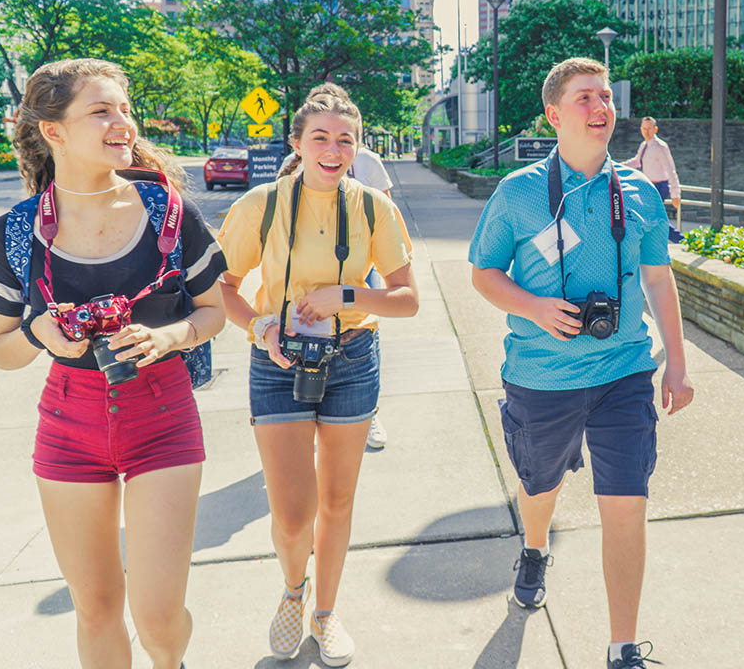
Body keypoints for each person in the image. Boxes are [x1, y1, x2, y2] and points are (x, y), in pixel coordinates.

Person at [0, 58, 227, 669]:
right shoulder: (10, 235)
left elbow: (213, 312)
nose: (124, 123)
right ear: (53, 131)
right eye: (101, 111)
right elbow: (0, 351)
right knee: (95, 609)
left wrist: (171, 337)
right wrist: (37, 333)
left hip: (163, 416)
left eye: (124, 109)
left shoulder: (169, 213)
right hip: (67, 426)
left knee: (159, 621)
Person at [469, 57, 695, 669]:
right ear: (553, 114)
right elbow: (483, 274)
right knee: (541, 485)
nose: (601, 108)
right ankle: (535, 547)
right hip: (542, 376)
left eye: (606, 97)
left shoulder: (641, 192)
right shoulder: (517, 193)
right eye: (585, 98)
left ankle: (623, 648)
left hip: (624, 371)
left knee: (625, 502)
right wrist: (536, 307)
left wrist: (676, 363)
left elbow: (659, 280)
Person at [217, 83, 416, 667]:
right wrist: (260, 328)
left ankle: (326, 613)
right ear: (297, 142)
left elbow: (406, 300)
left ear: (358, 146)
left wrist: (347, 294)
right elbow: (220, 289)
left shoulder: (376, 207)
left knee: (337, 501)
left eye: (346, 139)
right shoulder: (261, 205)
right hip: (277, 364)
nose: (334, 149)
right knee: (291, 512)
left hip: (353, 358)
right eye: (321, 138)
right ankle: (293, 589)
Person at [279, 140, 395, 450]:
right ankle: (311, 412)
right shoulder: (293, 163)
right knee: (307, 339)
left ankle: (367, 412)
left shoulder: (367, 162)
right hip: (307, 269)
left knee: (359, 331)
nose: (330, 144)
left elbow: (388, 214)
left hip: (357, 262)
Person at [622, 116, 683, 243]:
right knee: (652, 216)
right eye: (644, 128)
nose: (646, 131)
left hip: (660, 186)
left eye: (649, 128)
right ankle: (677, 239)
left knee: (654, 216)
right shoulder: (644, 145)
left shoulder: (660, 146)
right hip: (650, 187)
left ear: (655, 129)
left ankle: (681, 239)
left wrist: (675, 194)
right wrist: (618, 166)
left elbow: (670, 169)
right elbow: (637, 162)